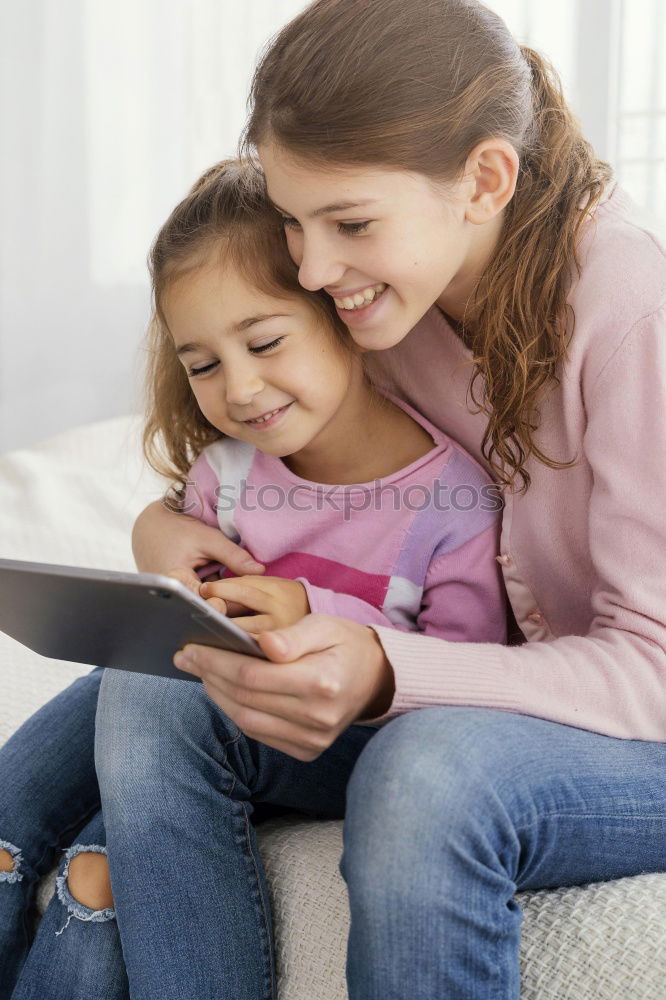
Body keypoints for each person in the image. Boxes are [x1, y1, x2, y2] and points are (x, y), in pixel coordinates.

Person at [95, 0, 666, 996]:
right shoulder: (395, 301)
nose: (314, 271)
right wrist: (165, 532)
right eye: (293, 221)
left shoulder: (631, 312)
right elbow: (291, 492)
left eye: (350, 222)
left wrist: (389, 668)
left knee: (427, 774)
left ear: (487, 180)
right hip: (490, 682)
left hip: (637, 721)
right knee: (152, 689)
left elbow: (652, 670)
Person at [0, 156, 505, 999]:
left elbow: (468, 687)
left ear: (346, 317)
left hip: (348, 740)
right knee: (90, 857)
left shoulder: (452, 503)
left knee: (142, 693)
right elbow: (184, 615)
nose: (239, 387)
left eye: (266, 342)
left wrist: (314, 609)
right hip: (223, 718)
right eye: (202, 365)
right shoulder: (227, 476)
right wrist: (161, 551)